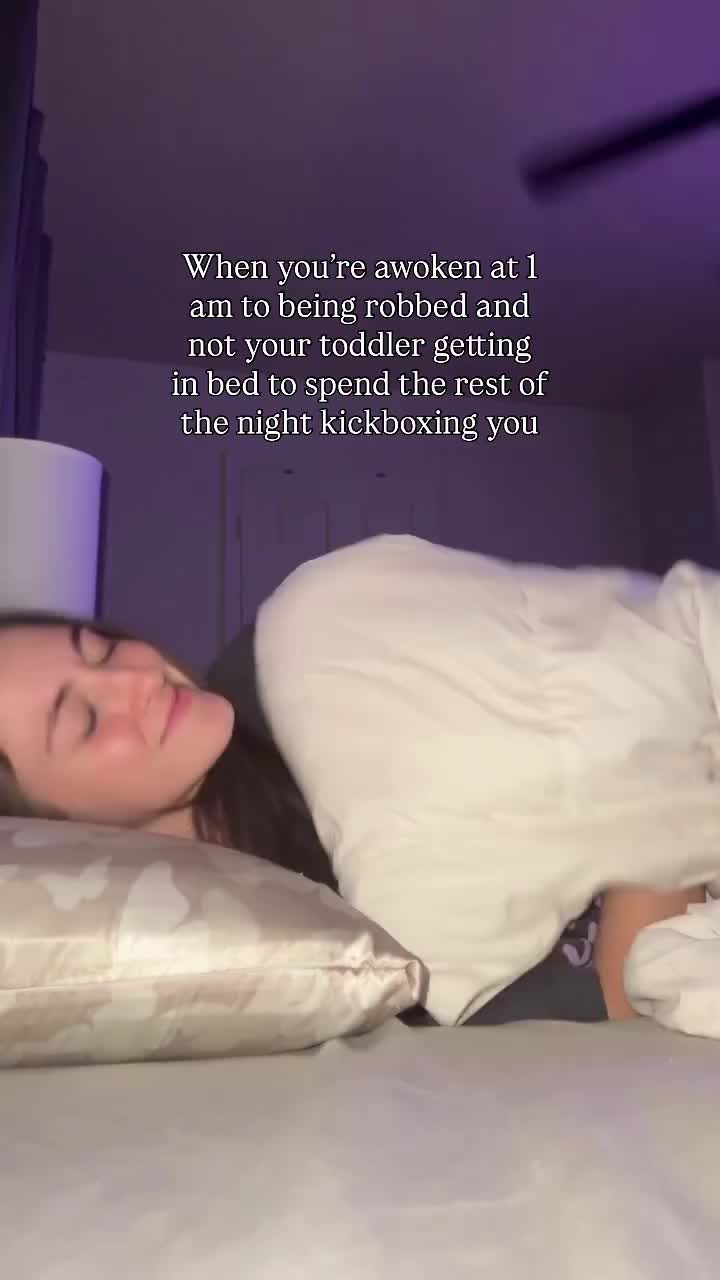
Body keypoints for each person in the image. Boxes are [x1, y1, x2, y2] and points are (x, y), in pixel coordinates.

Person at [0, 611, 703, 1026]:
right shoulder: (261, 961)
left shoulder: (288, 671)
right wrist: (654, 791)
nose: (136, 676)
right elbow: (620, 1015)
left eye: (100, 647)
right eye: (85, 719)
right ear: (56, 838)